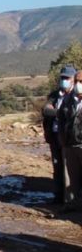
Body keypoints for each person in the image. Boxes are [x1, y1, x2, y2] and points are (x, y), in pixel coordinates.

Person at [42, 65, 76, 204]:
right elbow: (46, 110)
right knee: (58, 166)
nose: (64, 80)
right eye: (62, 78)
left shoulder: (76, 96)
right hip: (55, 135)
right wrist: (61, 113)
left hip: (71, 137)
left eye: (67, 78)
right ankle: (58, 196)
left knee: (71, 168)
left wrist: (58, 112)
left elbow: (73, 114)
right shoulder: (55, 95)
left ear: (73, 79)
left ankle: (72, 199)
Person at [57, 70, 82, 210]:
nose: (79, 85)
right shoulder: (68, 100)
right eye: (77, 81)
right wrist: (62, 138)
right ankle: (72, 205)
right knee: (72, 179)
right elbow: (60, 119)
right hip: (70, 144)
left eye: (81, 82)